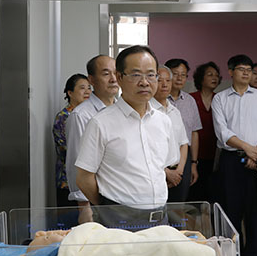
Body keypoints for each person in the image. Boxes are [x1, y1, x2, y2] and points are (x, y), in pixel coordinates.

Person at [76, 45, 179, 225]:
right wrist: (107, 207)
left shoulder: (164, 121)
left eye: (151, 75)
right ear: (119, 78)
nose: (144, 82)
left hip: (159, 217)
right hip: (118, 218)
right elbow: (84, 178)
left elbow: (162, 166)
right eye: (136, 75)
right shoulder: (101, 123)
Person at [212, 54, 257, 256]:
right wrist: (247, 148)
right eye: (241, 69)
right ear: (231, 72)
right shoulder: (220, 99)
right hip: (231, 161)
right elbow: (222, 132)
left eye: (249, 70)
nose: (246, 73)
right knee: (231, 214)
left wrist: (256, 151)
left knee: (254, 215)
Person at [65, 55, 119, 206]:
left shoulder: (123, 110)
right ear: (92, 80)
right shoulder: (81, 115)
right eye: (106, 74)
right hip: (97, 199)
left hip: (122, 195)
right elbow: (76, 162)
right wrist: (83, 205)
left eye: (116, 73)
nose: (113, 79)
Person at [151, 66, 190, 202]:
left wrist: (179, 171)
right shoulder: (147, 111)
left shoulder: (175, 111)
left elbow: (184, 144)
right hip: (156, 174)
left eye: (168, 80)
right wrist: (166, 172)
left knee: (178, 212)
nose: (165, 84)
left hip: (178, 173)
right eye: (160, 80)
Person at [53, 74, 91, 206]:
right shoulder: (64, 117)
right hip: (68, 181)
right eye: (82, 88)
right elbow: (69, 149)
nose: (87, 91)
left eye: (89, 88)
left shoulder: (89, 114)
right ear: (70, 93)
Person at [166, 58, 202, 192]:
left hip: (184, 156)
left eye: (183, 75)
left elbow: (194, 133)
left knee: (181, 196)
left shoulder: (190, 101)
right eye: (175, 74)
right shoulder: (155, 101)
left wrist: (193, 163)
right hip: (163, 155)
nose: (179, 78)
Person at [188, 61, 221, 203]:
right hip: (194, 154)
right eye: (210, 75)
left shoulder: (220, 99)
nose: (214, 78)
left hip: (215, 153)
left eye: (216, 75)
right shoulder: (190, 99)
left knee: (212, 193)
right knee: (194, 193)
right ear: (201, 78)